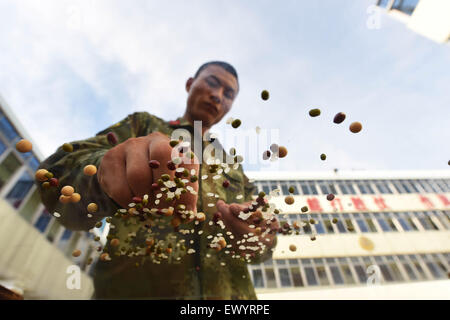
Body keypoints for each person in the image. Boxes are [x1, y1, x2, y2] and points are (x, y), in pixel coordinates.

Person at [37, 61, 279, 299]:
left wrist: (259, 235)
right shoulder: (142, 125)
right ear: (190, 84)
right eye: (212, 83)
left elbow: (263, 246)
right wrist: (105, 173)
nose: (217, 96)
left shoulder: (232, 165)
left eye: (228, 94)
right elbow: (55, 178)